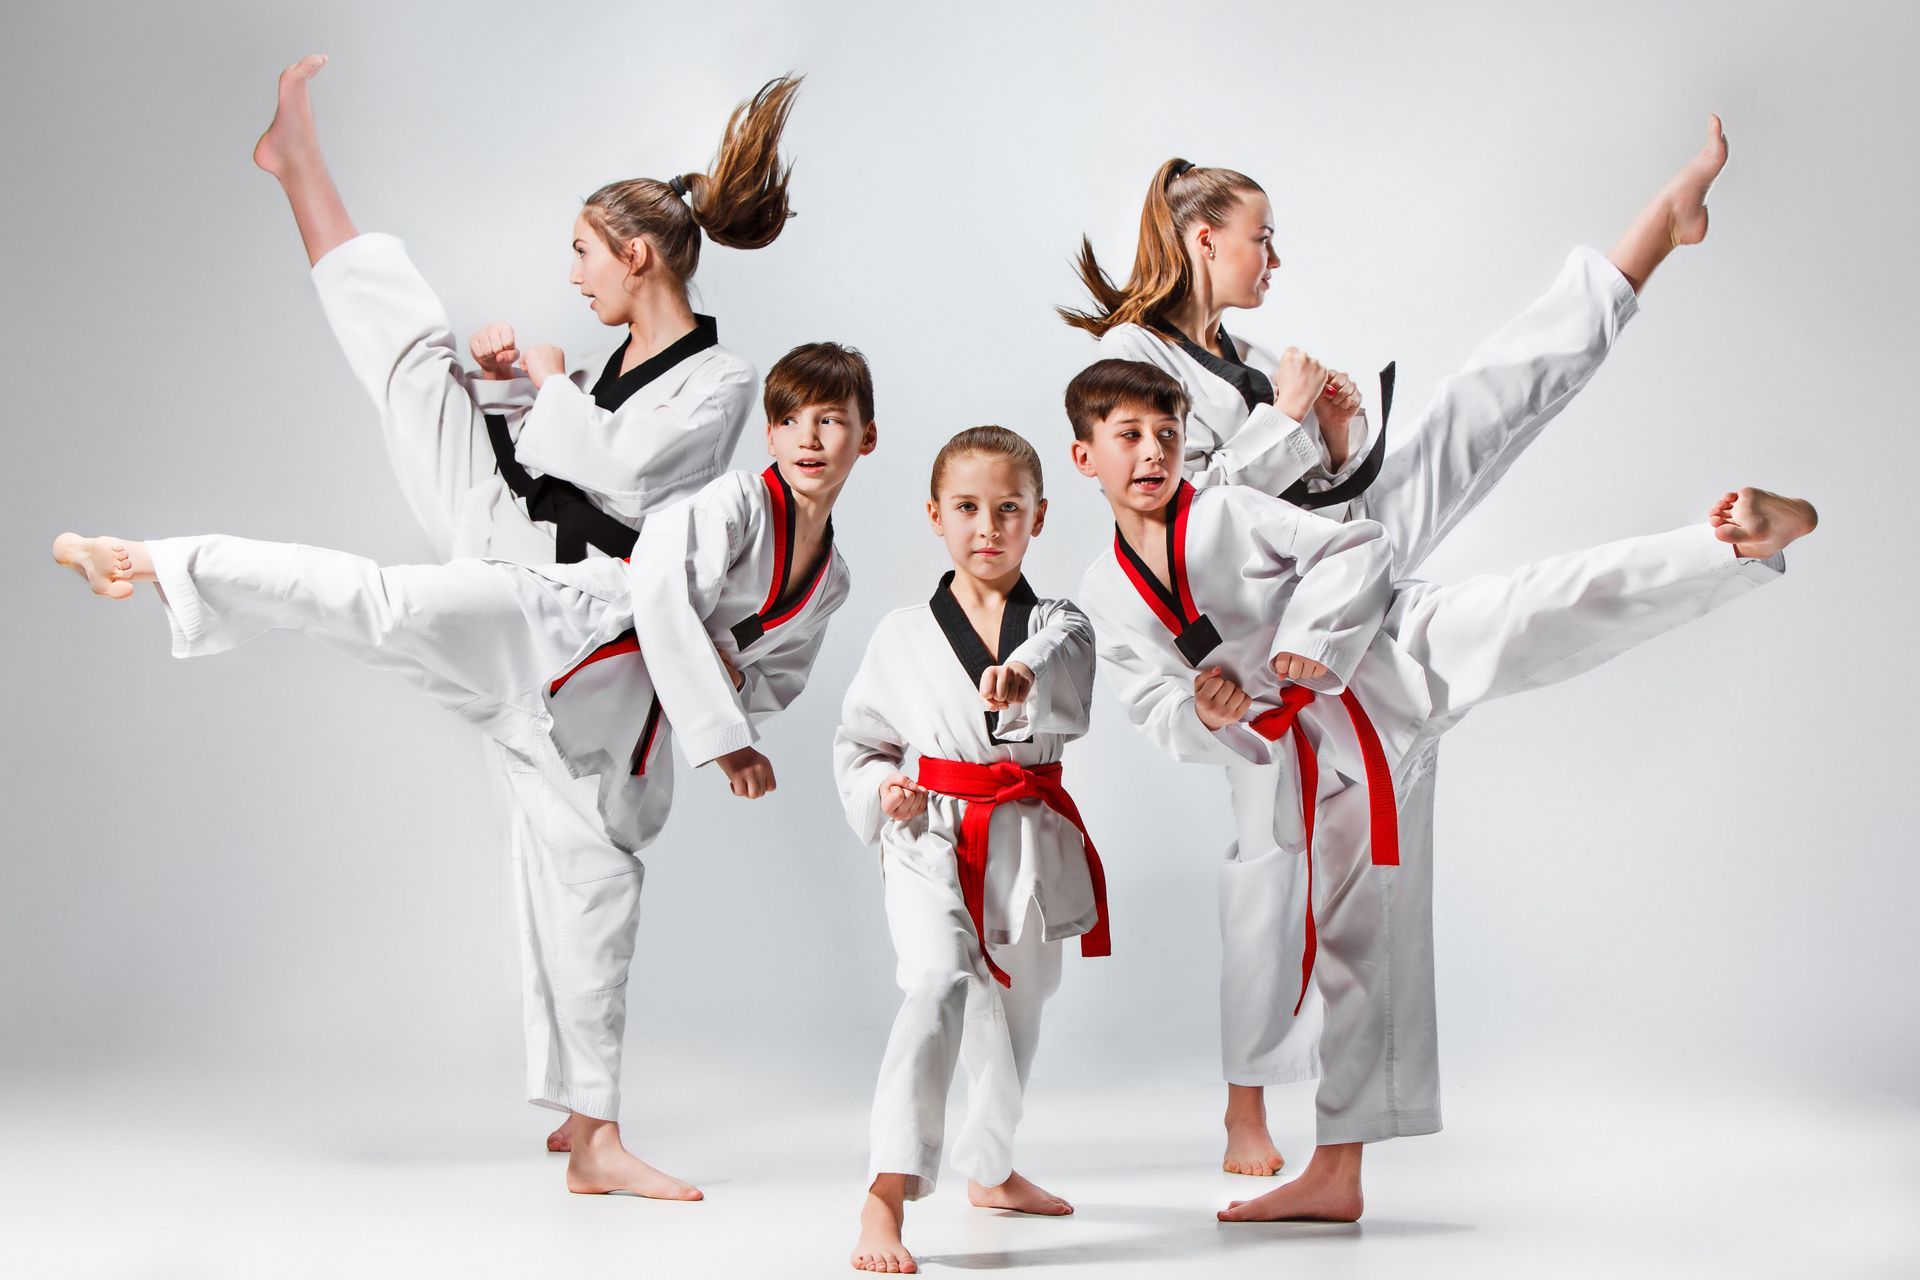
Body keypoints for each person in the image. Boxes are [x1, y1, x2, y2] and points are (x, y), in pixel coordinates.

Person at [52, 342, 878, 1202]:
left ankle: (591, 1131)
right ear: (771, 433)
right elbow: (663, 591)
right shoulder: (739, 501)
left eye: (831, 422)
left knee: (600, 901)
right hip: (552, 630)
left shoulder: (833, 579)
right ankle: (146, 558)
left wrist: (732, 692)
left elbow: (777, 678)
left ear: (868, 437)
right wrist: (725, 734)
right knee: (382, 604)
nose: (809, 439)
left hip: (607, 729)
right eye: (790, 421)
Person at [1060, 119, 1734, 1174]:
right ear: (1201, 238)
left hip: (1325, 566)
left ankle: (1648, 239)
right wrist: (1286, 426)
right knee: (1267, 883)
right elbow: (1182, 518)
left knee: (1476, 406)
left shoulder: (1246, 355)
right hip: (1250, 636)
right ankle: (1248, 1111)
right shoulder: (1134, 362)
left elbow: (1282, 491)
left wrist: (1329, 437)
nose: (1273, 260)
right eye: (1259, 238)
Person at [1063, 357, 1815, 1219]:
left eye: (1166, 434)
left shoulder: (1227, 509)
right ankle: (1336, 1174)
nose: (1153, 453)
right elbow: (1152, 705)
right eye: (1128, 437)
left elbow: (1357, 544)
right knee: (1352, 950)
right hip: (1321, 761)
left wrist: (1312, 639)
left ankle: (1732, 542)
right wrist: (1205, 709)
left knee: (1536, 608)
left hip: (1388, 657)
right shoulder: (1103, 592)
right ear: (1086, 458)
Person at [252, 54, 802, 1162]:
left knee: (576, 857)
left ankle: (582, 1109)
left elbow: (631, 480)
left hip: (563, 601)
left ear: (637, 255)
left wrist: (548, 384)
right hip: (509, 526)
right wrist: (510, 379)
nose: (576, 270)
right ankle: (298, 171)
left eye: (585, 252)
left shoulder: (723, 378)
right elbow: (565, 452)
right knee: (418, 360)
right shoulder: (605, 362)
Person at [835, 428, 1104, 1274]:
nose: (987, 527)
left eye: (1008, 509)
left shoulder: (1060, 621)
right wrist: (886, 792)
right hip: (929, 834)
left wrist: (1019, 672)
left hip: (1025, 830)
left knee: (1018, 1014)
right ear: (934, 517)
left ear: (1038, 519)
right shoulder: (903, 632)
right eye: (967, 509)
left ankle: (989, 1170)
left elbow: (1058, 658)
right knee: (940, 980)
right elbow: (862, 742)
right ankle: (886, 1192)